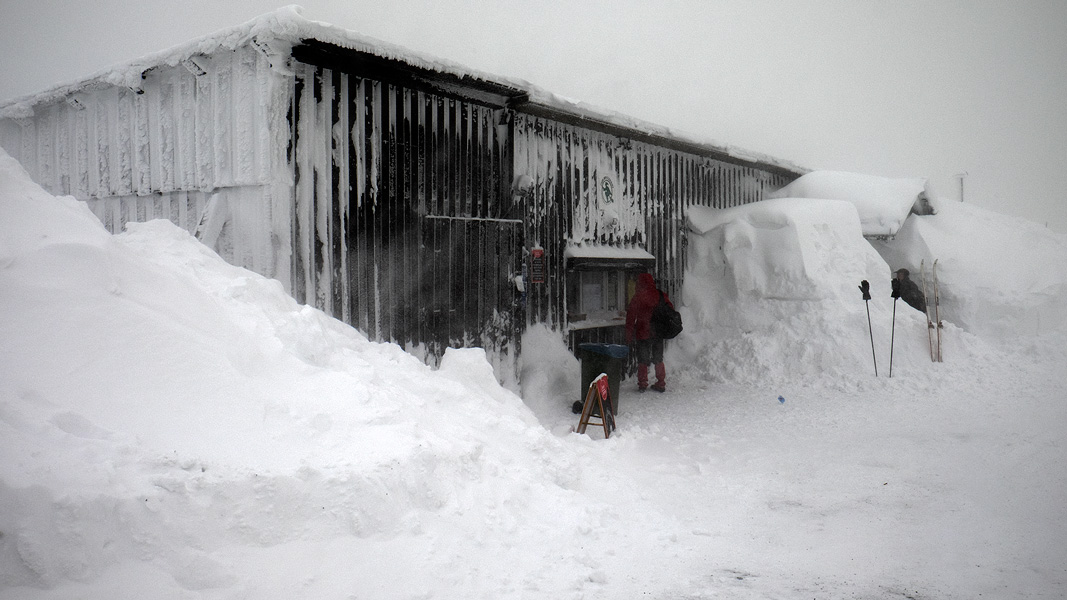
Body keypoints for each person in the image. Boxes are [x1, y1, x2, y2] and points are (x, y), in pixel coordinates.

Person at [625, 273, 672, 392]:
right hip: (658, 332)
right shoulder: (660, 294)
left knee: (643, 358)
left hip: (643, 332)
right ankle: (661, 383)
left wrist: (628, 334)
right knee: (658, 358)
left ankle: (642, 383)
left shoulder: (638, 297)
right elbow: (670, 308)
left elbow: (630, 317)